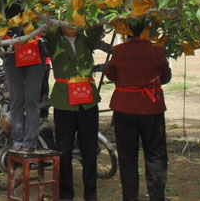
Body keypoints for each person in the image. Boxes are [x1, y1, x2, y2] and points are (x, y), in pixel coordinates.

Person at [104, 19, 171, 201]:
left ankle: (130, 197)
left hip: (124, 108)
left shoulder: (119, 50)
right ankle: (157, 197)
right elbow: (166, 77)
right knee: (156, 155)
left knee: (127, 157)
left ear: (128, 31)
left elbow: (110, 74)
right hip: (152, 107)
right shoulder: (157, 50)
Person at [46, 24, 104, 201]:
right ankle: (65, 194)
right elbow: (51, 27)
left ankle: (91, 194)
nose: (72, 24)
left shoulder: (85, 40)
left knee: (90, 150)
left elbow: (97, 26)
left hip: (87, 103)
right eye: (67, 21)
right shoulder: (55, 42)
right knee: (64, 150)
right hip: (64, 103)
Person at [2, 0, 47, 153]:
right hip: (12, 51)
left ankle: (30, 142)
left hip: (35, 50)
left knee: (32, 100)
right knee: (16, 99)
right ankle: (17, 140)